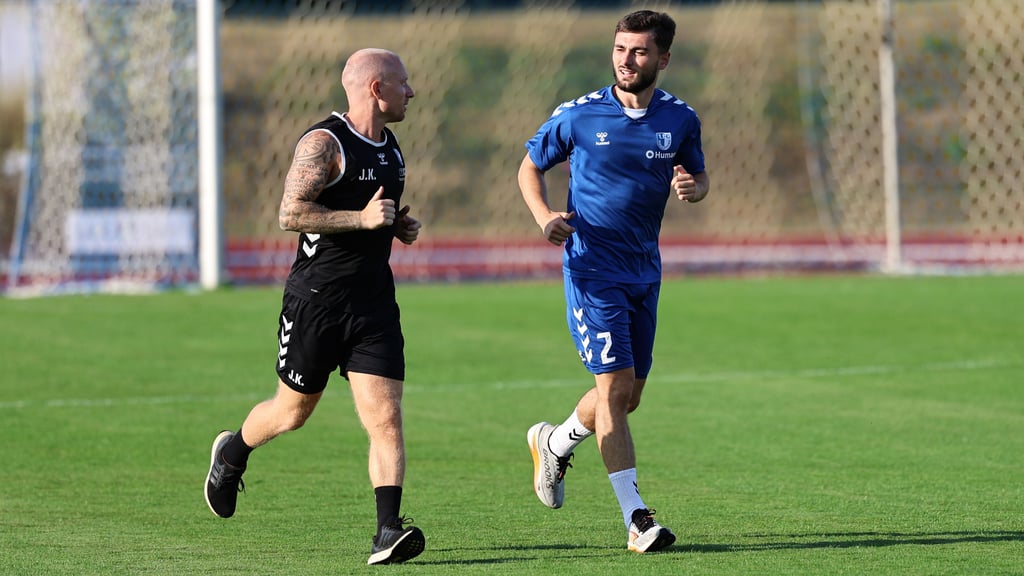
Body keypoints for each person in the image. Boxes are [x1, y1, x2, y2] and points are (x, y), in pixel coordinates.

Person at [203, 48, 425, 566]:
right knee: (292, 412)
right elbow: (291, 213)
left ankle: (387, 531)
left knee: (386, 419)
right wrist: (363, 220)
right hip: (315, 304)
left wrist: (396, 226)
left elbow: (375, 216)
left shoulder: (392, 148)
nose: (410, 92)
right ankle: (232, 453)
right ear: (376, 89)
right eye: (403, 83)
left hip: (373, 306)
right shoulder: (323, 143)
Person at [518, 10, 709, 554]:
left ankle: (554, 441)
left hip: (644, 271)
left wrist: (695, 187)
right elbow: (529, 166)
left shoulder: (680, 119)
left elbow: (698, 174)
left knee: (628, 397)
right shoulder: (578, 115)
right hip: (591, 270)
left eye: (640, 51)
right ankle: (637, 519)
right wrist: (543, 217)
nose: (627, 60)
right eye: (620, 49)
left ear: (663, 59)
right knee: (613, 391)